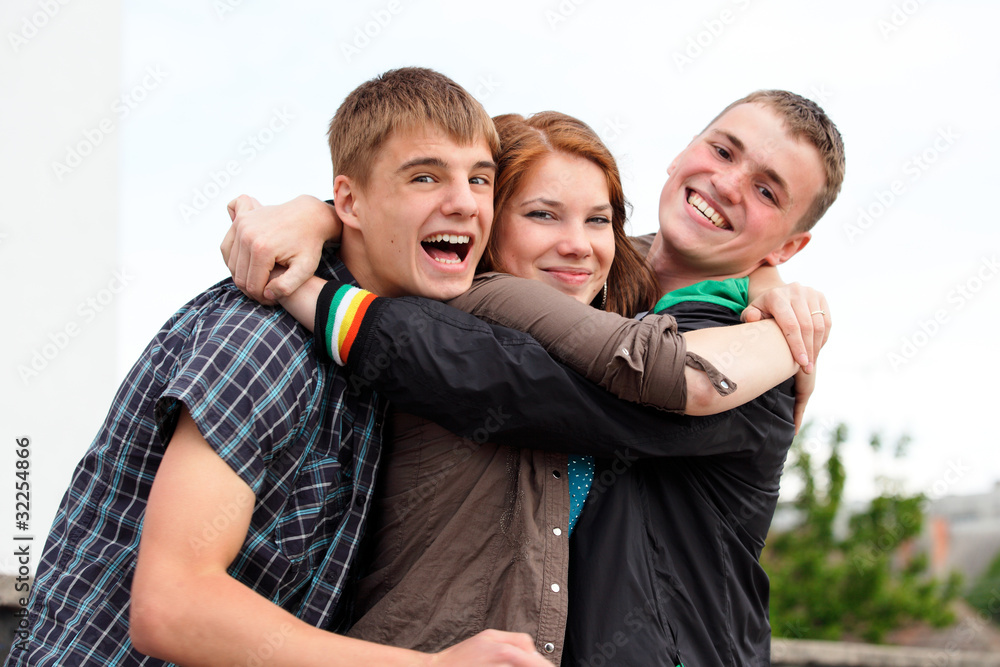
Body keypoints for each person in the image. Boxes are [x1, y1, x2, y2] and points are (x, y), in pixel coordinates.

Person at [223, 89, 844, 666]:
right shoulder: (599, 292)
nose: (729, 183)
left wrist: (307, 285)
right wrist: (325, 216)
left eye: (768, 192)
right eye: (721, 149)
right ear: (683, 152)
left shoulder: (757, 359)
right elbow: (448, 217)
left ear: (788, 247)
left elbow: (503, 379)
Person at [8, 67, 555, 667]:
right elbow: (172, 603)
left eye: (480, 179)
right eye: (424, 176)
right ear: (348, 201)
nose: (462, 202)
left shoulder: (384, 353)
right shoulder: (262, 337)